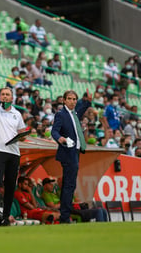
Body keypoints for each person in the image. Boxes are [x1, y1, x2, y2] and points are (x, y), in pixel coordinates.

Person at [0, 87, 27, 226]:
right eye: (2, 94)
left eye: (7, 94)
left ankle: (6, 217)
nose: (5, 96)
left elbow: (22, 134)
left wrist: (22, 136)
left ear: (12, 98)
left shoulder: (17, 114)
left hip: (14, 153)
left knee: (10, 187)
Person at [51, 89, 92, 223]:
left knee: (70, 185)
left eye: (74, 99)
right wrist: (60, 139)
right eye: (69, 99)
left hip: (75, 151)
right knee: (69, 185)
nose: (72, 101)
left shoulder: (74, 114)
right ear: (64, 100)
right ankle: (64, 217)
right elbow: (54, 131)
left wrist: (88, 101)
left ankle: (65, 216)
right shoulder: (61, 114)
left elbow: (81, 109)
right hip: (68, 151)